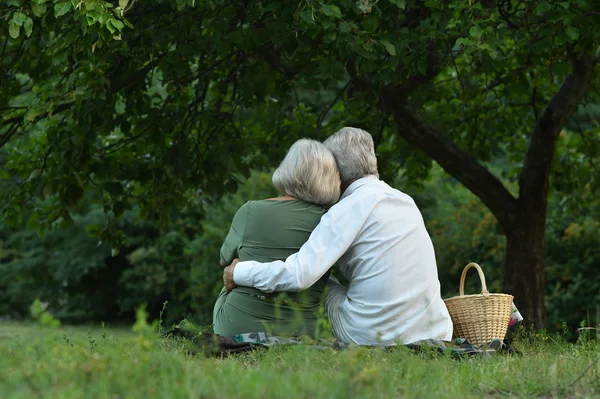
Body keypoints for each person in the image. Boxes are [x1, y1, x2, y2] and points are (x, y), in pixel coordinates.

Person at [223, 127, 453, 346]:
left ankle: (286, 328)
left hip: (374, 335)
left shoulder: (346, 209)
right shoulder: (405, 200)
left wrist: (240, 272)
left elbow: (299, 276)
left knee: (319, 276)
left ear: (338, 174)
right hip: (433, 330)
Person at [212, 139, 341, 337]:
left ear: (288, 170)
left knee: (234, 267)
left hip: (236, 327)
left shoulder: (250, 210)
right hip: (302, 330)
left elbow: (224, 259)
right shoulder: (331, 222)